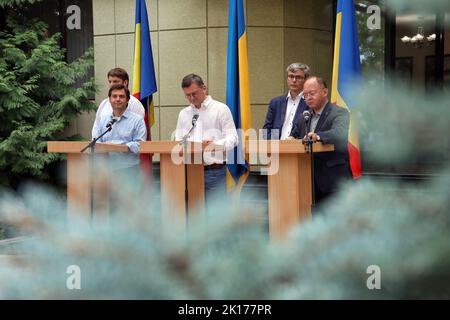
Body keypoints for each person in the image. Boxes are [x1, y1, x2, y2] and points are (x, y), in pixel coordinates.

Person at [289, 76, 351, 206]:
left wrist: (317, 136)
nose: (308, 98)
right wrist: (290, 140)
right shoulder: (303, 117)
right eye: (305, 95)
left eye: (312, 93)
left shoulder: (340, 113)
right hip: (306, 179)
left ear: (325, 92)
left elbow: (339, 133)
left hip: (332, 180)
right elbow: (293, 136)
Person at [175, 74, 238, 200]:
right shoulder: (184, 114)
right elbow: (179, 141)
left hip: (214, 171)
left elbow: (234, 138)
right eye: (188, 95)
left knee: (215, 216)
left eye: (194, 93)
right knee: (193, 214)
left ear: (204, 88)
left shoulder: (221, 109)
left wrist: (215, 145)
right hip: (190, 170)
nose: (192, 98)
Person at [92, 84, 147, 173]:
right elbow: (96, 142)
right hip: (105, 170)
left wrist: (117, 147)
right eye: (114, 96)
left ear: (128, 100)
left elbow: (139, 144)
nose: (118, 99)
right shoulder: (102, 120)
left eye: (121, 96)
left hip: (129, 170)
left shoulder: (137, 120)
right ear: (109, 99)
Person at [92, 68, 145, 139]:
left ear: (125, 83)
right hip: (104, 149)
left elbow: (138, 130)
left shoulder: (134, 104)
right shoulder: (104, 103)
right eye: (110, 81)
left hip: (127, 148)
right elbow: (96, 131)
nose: (111, 84)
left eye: (115, 81)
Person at [263, 62, 310, 139]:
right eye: (291, 76)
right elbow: (266, 130)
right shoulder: (276, 102)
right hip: (276, 148)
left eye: (298, 77)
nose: (294, 80)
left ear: (306, 80)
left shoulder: (310, 103)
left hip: (299, 148)